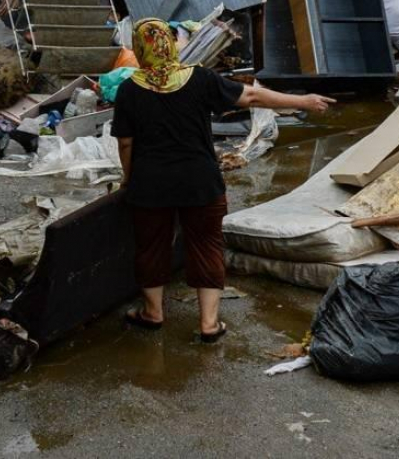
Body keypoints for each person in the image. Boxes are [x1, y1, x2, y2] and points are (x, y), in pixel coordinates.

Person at [112, 19, 335, 342]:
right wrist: (302, 101)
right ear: (170, 44)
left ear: (140, 46)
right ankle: (208, 324)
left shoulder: (130, 89)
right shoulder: (199, 79)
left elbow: (126, 143)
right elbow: (252, 98)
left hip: (151, 184)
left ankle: (153, 313)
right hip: (200, 182)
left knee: (151, 247)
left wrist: (128, 179)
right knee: (206, 246)